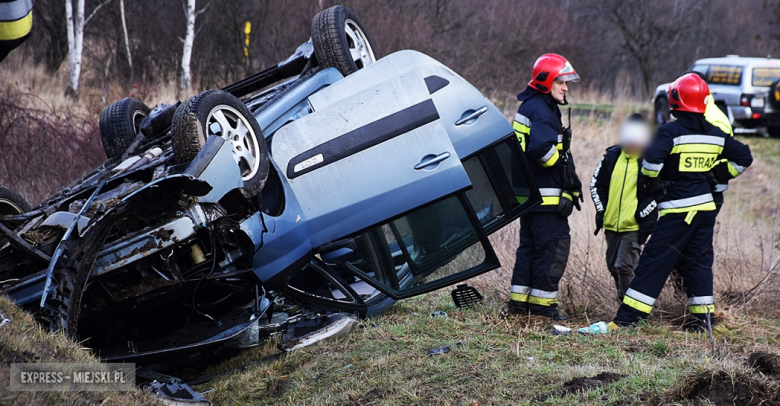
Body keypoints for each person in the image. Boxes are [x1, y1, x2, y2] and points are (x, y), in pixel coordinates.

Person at [613, 73, 753, 330]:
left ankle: (628, 319)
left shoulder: (670, 131)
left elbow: (651, 163)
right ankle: (702, 321)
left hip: (679, 210)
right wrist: (719, 174)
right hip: (705, 211)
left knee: (654, 262)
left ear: (676, 101)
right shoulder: (716, 133)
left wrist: (653, 183)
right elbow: (744, 157)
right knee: (698, 264)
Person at [508, 53, 582, 320]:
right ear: (545, 82)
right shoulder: (541, 110)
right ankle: (541, 306)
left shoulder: (531, 105)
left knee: (529, 247)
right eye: (561, 82)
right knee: (553, 248)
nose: (565, 88)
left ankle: (519, 303)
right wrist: (558, 163)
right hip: (546, 197)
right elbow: (540, 149)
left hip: (529, 196)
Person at [590, 113, 657, 302]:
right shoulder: (611, 156)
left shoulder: (650, 160)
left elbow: (659, 193)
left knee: (624, 266)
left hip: (634, 226)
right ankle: (624, 301)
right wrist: (602, 210)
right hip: (611, 224)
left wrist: (639, 214)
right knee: (612, 265)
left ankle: (631, 310)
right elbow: (595, 184)